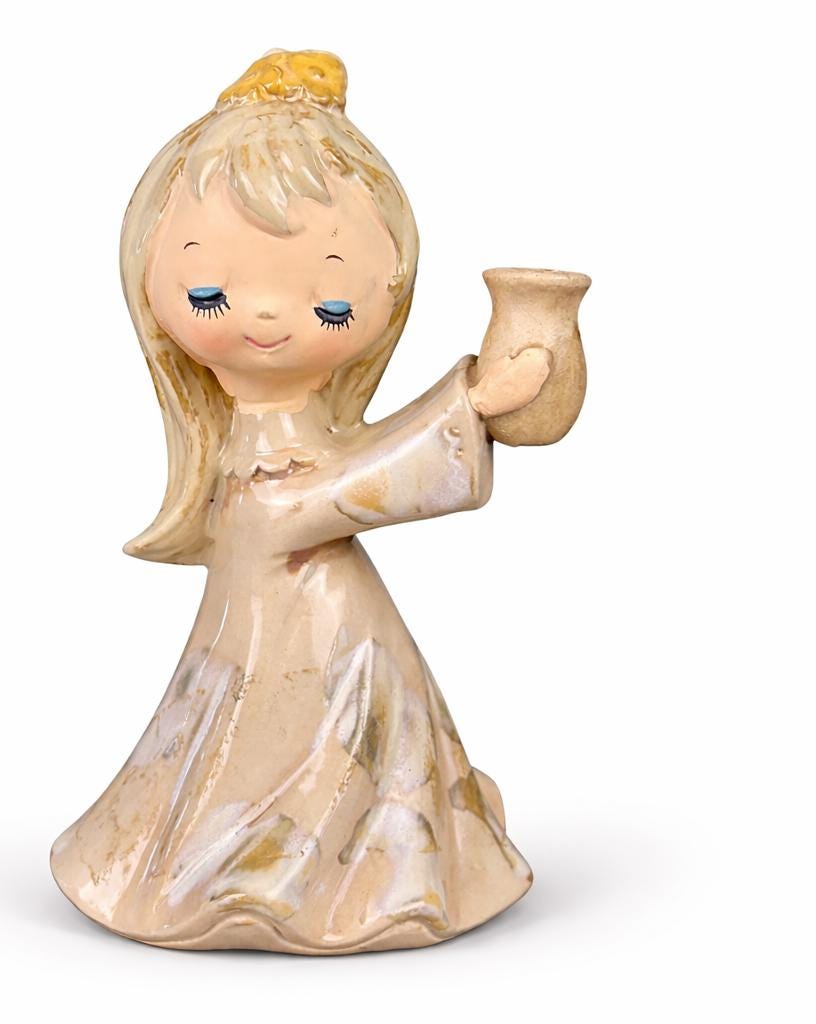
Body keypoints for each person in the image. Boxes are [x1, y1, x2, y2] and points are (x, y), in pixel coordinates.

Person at [51, 48, 552, 954]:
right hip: (283, 609)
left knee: (354, 732)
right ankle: (259, 862)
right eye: (210, 292)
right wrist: (467, 407)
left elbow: (331, 486)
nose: (264, 317)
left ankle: (386, 854)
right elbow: (304, 507)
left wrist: (476, 406)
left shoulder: (291, 447)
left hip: (335, 624)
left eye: (328, 307)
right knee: (252, 727)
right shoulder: (249, 463)